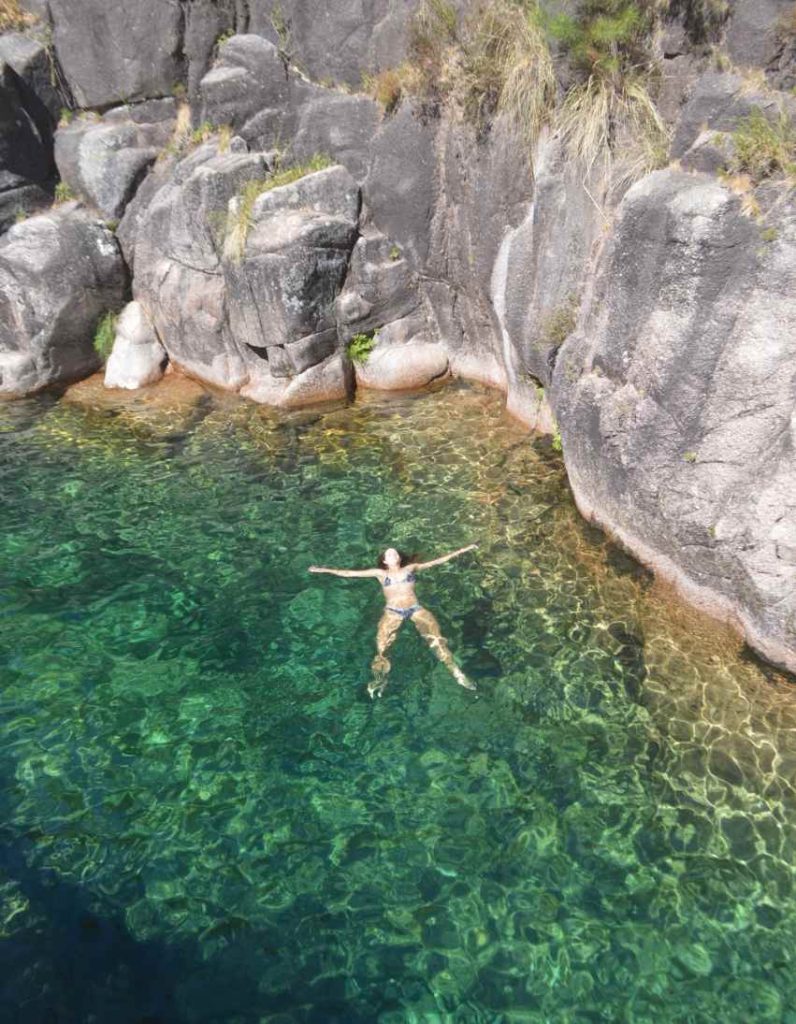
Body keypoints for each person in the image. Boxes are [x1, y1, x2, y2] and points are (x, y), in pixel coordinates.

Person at [309, 544, 478, 698]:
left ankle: (457, 673)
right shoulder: (380, 574)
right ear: (384, 561)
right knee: (381, 650)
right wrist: (322, 570)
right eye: (388, 554)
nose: (391, 553)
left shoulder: (411, 568)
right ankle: (380, 679)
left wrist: (464, 550)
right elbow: (349, 573)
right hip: (392, 612)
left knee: (438, 642)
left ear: (398, 558)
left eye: (394, 553)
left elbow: (437, 562)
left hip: (416, 609)